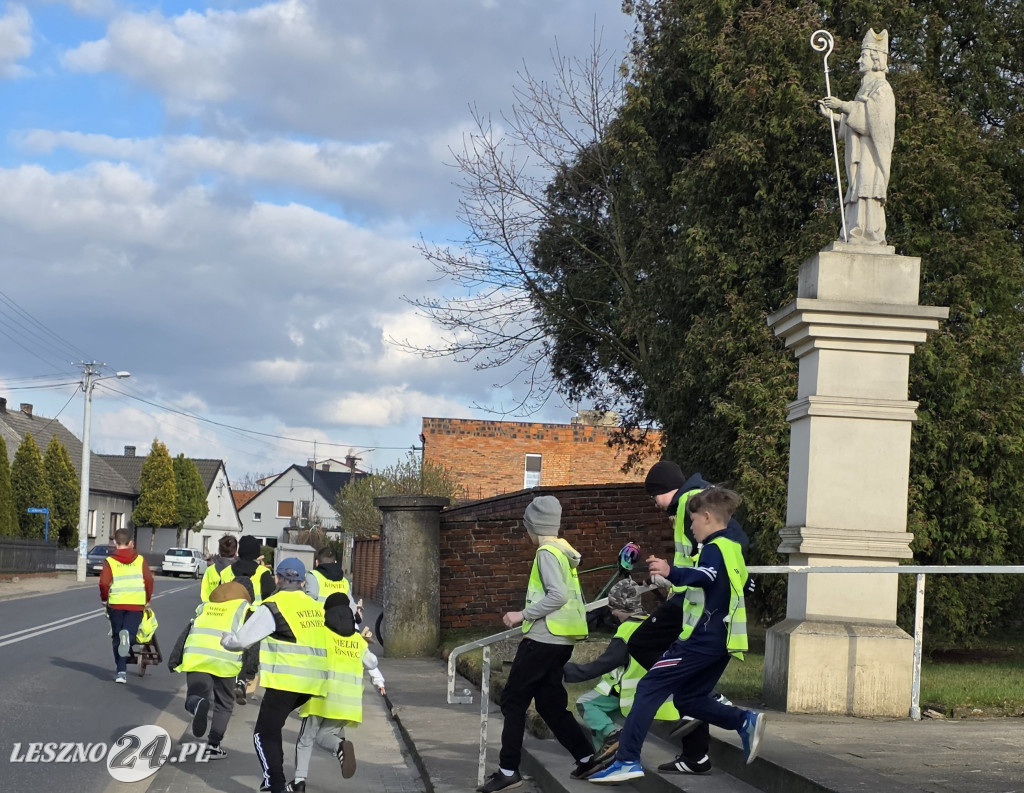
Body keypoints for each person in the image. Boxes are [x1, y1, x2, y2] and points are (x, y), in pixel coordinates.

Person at [588, 488, 765, 784]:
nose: (690, 526)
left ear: (707, 518)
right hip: (724, 643)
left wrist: (672, 571)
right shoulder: (732, 548)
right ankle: (743, 721)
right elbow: (744, 584)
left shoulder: (712, 547)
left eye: (693, 520)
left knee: (648, 687)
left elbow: (705, 576)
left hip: (702, 641)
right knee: (687, 699)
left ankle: (627, 760)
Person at [623, 460, 751, 775]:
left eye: (654, 496)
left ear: (667, 490)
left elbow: (722, 547)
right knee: (685, 693)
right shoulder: (698, 497)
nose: (654, 504)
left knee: (640, 643)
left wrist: (678, 574)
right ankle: (696, 755)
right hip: (690, 595)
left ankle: (703, 697)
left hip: (695, 602)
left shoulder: (690, 503)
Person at [478, 495, 596, 793]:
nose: (526, 533)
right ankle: (586, 756)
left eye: (526, 526)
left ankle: (508, 771)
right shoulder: (563, 551)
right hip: (560, 641)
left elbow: (557, 595)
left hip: (542, 640)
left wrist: (522, 614)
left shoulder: (546, 552)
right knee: (549, 703)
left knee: (512, 701)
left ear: (535, 525)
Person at [220, 558, 327, 793]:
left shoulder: (273, 605)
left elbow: (242, 641)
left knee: (263, 732)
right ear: (301, 581)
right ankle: (276, 781)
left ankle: (274, 784)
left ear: (277, 578)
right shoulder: (314, 605)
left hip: (287, 681)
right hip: (314, 682)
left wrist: (226, 640)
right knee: (273, 726)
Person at [563, 579, 683, 764]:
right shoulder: (650, 622)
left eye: (614, 607)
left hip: (625, 691)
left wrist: (567, 670)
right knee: (600, 724)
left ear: (622, 606)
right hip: (647, 689)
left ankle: (613, 738)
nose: (612, 612)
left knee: (585, 704)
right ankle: (605, 756)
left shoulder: (626, 631)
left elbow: (605, 663)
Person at [289, 592, 385, 793]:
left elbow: (303, 656)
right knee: (328, 734)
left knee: (306, 739)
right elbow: (373, 662)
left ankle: (298, 782)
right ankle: (339, 746)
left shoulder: (321, 633)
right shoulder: (357, 641)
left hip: (319, 696)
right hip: (347, 703)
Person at [818, 28, 895, 244]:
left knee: (867, 191)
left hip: (872, 155)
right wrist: (835, 116)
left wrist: (843, 105)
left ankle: (868, 231)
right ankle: (854, 229)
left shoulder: (882, 88)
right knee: (857, 190)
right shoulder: (864, 90)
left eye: (864, 56)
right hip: (862, 153)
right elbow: (858, 121)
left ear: (875, 59)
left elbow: (876, 123)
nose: (859, 60)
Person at [171, 580, 252, 758]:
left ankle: (198, 704)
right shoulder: (245, 611)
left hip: (197, 656)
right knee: (224, 703)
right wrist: (249, 673)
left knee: (195, 695)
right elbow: (252, 645)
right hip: (227, 659)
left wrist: (174, 659)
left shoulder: (205, 607)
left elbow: (187, 632)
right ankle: (213, 746)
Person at [99, 527, 154, 684]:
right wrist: (147, 598)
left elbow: (103, 582)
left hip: (116, 603)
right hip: (136, 603)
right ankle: (128, 638)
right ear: (131, 543)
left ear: (115, 543)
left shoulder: (110, 561)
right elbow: (149, 580)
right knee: (131, 634)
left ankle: (121, 672)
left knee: (117, 637)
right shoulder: (140, 560)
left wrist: (104, 598)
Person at [230, 535, 276, 705]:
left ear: (239, 551)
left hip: (233, 616)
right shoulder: (264, 573)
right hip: (255, 618)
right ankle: (245, 679)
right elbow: (271, 597)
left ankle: (235, 678)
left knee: (234, 649)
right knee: (252, 652)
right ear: (257, 554)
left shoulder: (227, 571)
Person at [305, 547, 362, 626]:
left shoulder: (313, 576)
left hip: (318, 623)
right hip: (341, 624)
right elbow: (351, 606)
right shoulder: (344, 581)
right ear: (335, 562)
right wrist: (356, 617)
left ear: (316, 562)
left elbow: (308, 600)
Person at [201, 534, 239, 602]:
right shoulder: (240, 570)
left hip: (212, 610)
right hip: (233, 610)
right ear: (236, 551)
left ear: (219, 551)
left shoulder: (210, 570)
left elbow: (204, 594)